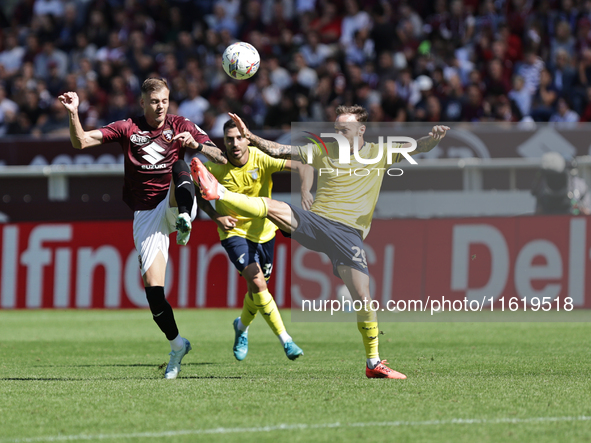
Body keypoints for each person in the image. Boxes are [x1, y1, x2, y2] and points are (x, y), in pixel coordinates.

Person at [192, 104, 449, 379]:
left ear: (361, 130)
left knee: (363, 297)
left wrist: (431, 140)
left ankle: (373, 363)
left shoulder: (380, 152)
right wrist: (251, 137)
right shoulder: (324, 150)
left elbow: (418, 147)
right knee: (272, 206)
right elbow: (279, 150)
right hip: (318, 223)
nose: (338, 134)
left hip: (349, 235)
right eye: (336, 129)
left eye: (345, 129)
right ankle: (218, 192)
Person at [59, 78, 226, 379]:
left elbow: (221, 156)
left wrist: (196, 144)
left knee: (180, 166)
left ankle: (186, 217)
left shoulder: (181, 125)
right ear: (142, 103)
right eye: (154, 102)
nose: (160, 106)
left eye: (164, 101)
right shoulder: (127, 128)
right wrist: (74, 112)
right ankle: (177, 345)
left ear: (169, 101)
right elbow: (80, 141)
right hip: (146, 214)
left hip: (174, 199)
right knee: (154, 293)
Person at [197, 119, 313, 361]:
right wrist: (217, 217)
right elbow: (199, 196)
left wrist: (305, 191)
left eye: (239, 137)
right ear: (224, 142)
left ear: (247, 138)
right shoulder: (216, 167)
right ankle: (286, 340)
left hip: (265, 232)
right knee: (259, 284)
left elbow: (304, 166)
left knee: (255, 291)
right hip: (234, 233)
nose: (235, 143)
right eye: (230, 139)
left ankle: (241, 326)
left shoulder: (261, 158)